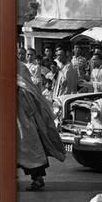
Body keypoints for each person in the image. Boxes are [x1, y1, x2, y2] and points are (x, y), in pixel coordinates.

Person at [17, 60, 65, 191]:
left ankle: (38, 179)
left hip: (24, 120)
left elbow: (28, 98)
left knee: (30, 148)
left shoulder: (21, 76)